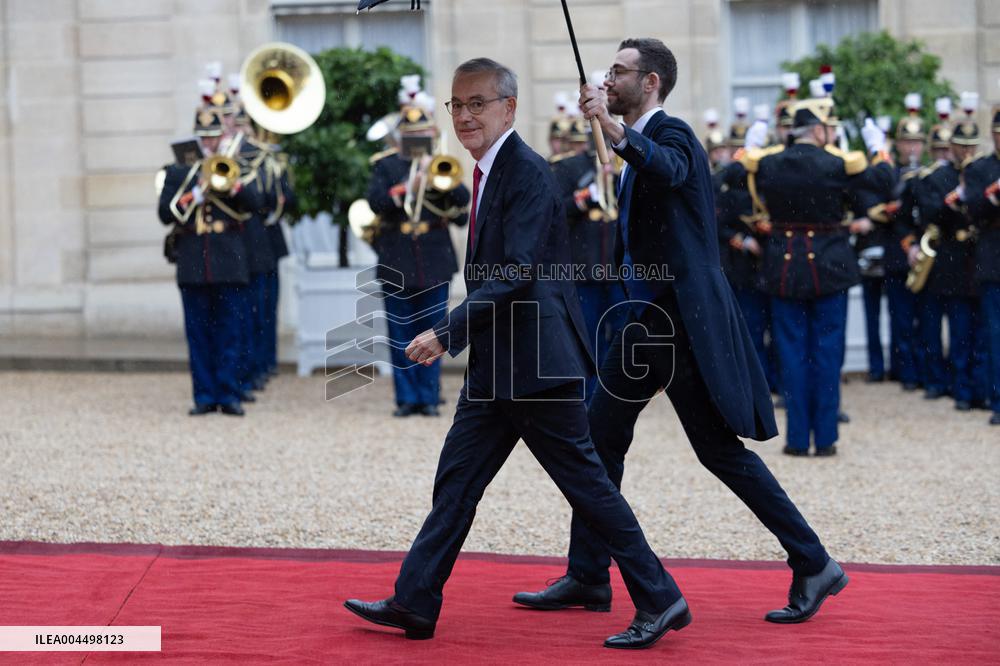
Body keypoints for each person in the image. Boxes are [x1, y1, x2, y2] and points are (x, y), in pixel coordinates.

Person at [344, 57, 690, 650]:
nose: (465, 116)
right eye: (458, 104)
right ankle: (415, 601)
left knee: (588, 488)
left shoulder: (527, 171)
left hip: (536, 363)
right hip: (497, 364)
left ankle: (661, 598)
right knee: (456, 484)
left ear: (509, 107)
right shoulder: (488, 169)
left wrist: (447, 331)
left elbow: (516, 271)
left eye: (478, 103)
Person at [513, 38, 845, 625]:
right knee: (603, 439)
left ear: (651, 83)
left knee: (708, 450)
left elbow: (668, 168)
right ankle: (589, 574)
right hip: (649, 320)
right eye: (608, 71)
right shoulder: (641, 139)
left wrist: (612, 129)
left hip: (675, 321)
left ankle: (813, 561)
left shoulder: (675, 135)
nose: (608, 80)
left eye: (619, 72)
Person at [365, 93, 471, 417]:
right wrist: (408, 188)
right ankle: (407, 397)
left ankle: (428, 395)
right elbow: (376, 202)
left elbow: (462, 204)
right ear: (401, 136)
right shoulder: (386, 165)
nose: (415, 141)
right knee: (400, 331)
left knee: (433, 331)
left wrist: (438, 179)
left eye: (421, 135)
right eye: (410, 136)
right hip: (396, 257)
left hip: (433, 259)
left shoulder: (441, 164)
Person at [157, 109, 262, 416]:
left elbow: (256, 205)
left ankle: (229, 394)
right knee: (199, 334)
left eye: (213, 137)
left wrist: (234, 186)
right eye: (203, 138)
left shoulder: (237, 167)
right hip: (193, 260)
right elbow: (164, 213)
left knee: (230, 331)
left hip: (229, 260)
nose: (208, 143)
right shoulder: (178, 172)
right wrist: (194, 194)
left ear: (221, 137)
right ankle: (204, 395)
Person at [961, 104, 1000, 425]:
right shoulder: (979, 169)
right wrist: (995, 197)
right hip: (993, 256)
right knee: (995, 333)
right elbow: (973, 209)